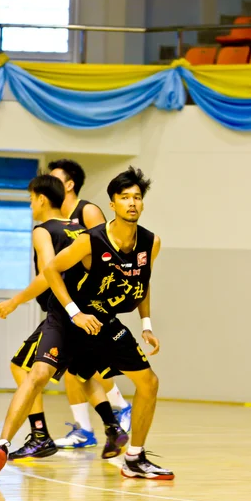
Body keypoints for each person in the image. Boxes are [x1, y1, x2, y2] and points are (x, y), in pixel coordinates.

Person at [0, 174, 127, 480]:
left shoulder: (43, 231)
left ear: (41, 199)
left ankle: (37, 436)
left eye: (31, 198)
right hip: (89, 312)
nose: (30, 204)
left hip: (63, 315)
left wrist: (15, 301)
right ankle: (113, 428)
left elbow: (49, 271)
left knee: (23, 369)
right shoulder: (78, 229)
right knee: (80, 372)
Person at [44, 166, 174, 480]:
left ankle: (133, 455)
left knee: (147, 384)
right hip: (77, 319)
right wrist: (74, 311)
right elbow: (51, 270)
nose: (132, 203)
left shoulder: (150, 242)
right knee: (40, 374)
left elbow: (143, 283)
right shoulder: (92, 240)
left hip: (107, 321)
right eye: (124, 197)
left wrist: (147, 324)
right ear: (112, 204)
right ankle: (19, 440)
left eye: (137, 197)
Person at [48, 159, 132, 446]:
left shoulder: (88, 211)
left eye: (55, 178)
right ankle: (84, 430)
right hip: (65, 299)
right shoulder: (54, 218)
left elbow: (107, 250)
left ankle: (119, 405)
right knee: (73, 371)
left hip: (89, 302)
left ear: (69, 184)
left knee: (85, 365)